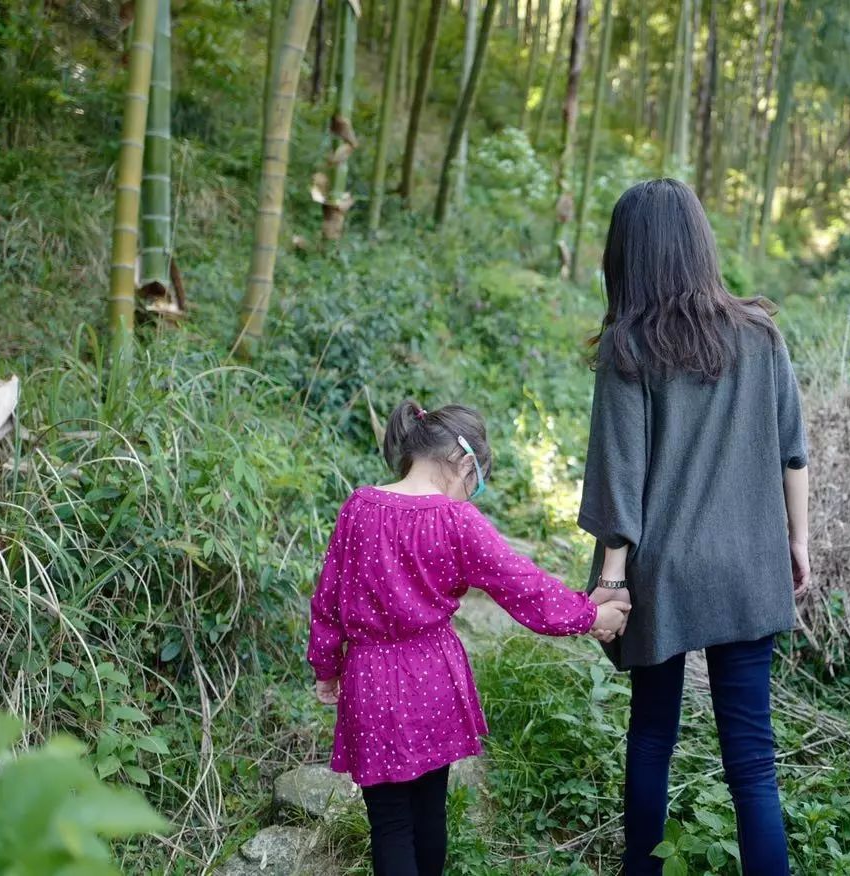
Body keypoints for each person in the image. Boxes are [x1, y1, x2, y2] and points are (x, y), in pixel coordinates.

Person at [579, 179, 810, 876]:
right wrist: (798, 544)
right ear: (700, 245)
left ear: (629, 256)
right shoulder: (762, 333)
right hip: (749, 563)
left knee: (652, 737)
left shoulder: (629, 348)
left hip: (665, 574)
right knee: (752, 758)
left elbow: (620, 480)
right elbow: (792, 449)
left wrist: (611, 585)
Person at [307, 401, 629, 876]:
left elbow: (327, 599)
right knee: (429, 810)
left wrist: (327, 668)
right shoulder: (456, 522)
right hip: (431, 676)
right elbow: (523, 586)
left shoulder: (358, 507)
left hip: (369, 678)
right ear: (462, 463)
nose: (468, 496)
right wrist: (591, 613)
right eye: (472, 484)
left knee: (390, 824)